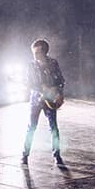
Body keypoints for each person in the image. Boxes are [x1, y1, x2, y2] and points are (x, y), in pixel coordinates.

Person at [22, 38, 66, 166]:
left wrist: (59, 94)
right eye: (33, 53)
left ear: (44, 52)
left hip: (50, 99)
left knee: (54, 128)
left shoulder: (53, 63)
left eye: (37, 53)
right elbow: (28, 83)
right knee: (31, 127)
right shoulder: (31, 66)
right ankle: (25, 154)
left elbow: (61, 80)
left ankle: (57, 155)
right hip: (36, 100)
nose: (35, 56)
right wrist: (41, 89)